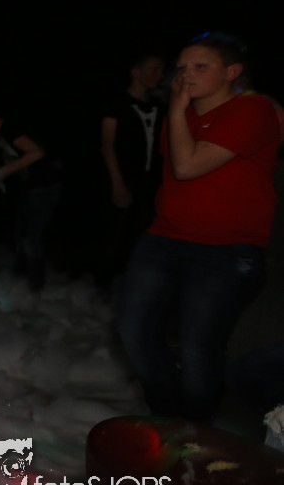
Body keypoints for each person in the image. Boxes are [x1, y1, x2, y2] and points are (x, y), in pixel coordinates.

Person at [117, 32, 279, 421]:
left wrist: (175, 108)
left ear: (231, 72)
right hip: (165, 237)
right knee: (133, 331)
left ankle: (196, 431)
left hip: (226, 249)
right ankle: (172, 421)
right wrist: (179, 112)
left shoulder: (252, 109)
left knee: (198, 348)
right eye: (182, 67)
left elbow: (188, 166)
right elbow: (174, 170)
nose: (185, 74)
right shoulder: (184, 115)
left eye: (200, 66)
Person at [0, 95, 62, 292]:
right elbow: (18, 161)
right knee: (20, 236)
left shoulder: (11, 129)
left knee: (30, 238)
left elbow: (37, 152)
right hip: (30, 188)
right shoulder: (3, 134)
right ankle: (19, 281)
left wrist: (2, 172)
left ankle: (35, 287)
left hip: (45, 188)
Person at [98, 53, 165, 289]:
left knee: (141, 236)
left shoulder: (159, 105)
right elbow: (107, 144)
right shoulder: (116, 103)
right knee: (115, 235)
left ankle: (131, 286)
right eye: (153, 69)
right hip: (122, 178)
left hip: (150, 183)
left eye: (161, 70)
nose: (159, 75)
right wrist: (117, 183)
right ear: (136, 72)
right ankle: (103, 289)